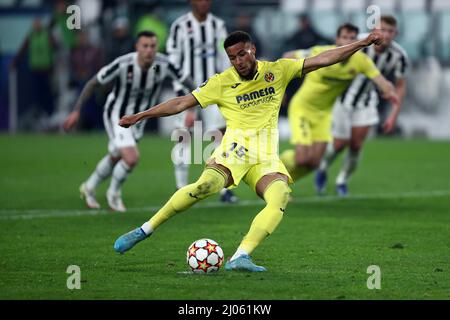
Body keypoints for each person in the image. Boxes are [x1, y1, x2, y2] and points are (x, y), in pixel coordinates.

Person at [113, 29, 386, 272]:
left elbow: (325, 58)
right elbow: (181, 103)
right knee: (205, 185)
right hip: (235, 151)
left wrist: (362, 43)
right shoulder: (221, 82)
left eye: (241, 55)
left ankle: (241, 256)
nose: (237, 62)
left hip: (265, 157)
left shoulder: (278, 70)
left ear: (252, 50)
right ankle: (144, 230)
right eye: (232, 58)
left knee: (280, 196)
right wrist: (140, 116)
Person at [63, 31, 193, 212]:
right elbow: (93, 82)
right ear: (137, 48)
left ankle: (89, 187)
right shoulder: (123, 64)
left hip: (139, 119)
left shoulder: (164, 64)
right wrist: (76, 111)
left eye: (153, 46)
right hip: (117, 115)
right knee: (131, 158)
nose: (149, 50)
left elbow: (189, 83)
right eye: (145, 46)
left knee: (117, 155)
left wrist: (192, 108)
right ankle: (113, 194)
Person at [279, 23, 399, 188]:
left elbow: (381, 81)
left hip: (324, 114)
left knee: (314, 163)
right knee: (302, 159)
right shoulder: (319, 52)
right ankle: (277, 165)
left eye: (351, 38)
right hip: (303, 109)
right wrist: (278, 85)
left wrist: (390, 92)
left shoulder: (361, 61)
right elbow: (288, 55)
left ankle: (282, 184)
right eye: (344, 37)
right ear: (337, 39)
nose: (347, 41)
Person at [315, 16, 409, 196]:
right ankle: (323, 167)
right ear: (376, 29)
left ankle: (342, 181)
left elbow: (400, 86)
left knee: (356, 146)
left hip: (366, 101)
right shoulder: (360, 41)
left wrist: (393, 116)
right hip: (342, 99)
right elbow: (334, 53)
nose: (386, 35)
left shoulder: (399, 56)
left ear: (395, 33)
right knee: (339, 144)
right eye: (383, 30)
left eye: (390, 31)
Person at [166, 0, 237, 203]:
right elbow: (173, 63)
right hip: (188, 92)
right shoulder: (180, 26)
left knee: (221, 136)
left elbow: (226, 60)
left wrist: (227, 89)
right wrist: (183, 94)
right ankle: (180, 188)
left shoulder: (218, 25)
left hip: (214, 91)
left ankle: (224, 188)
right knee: (184, 136)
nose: (204, 2)